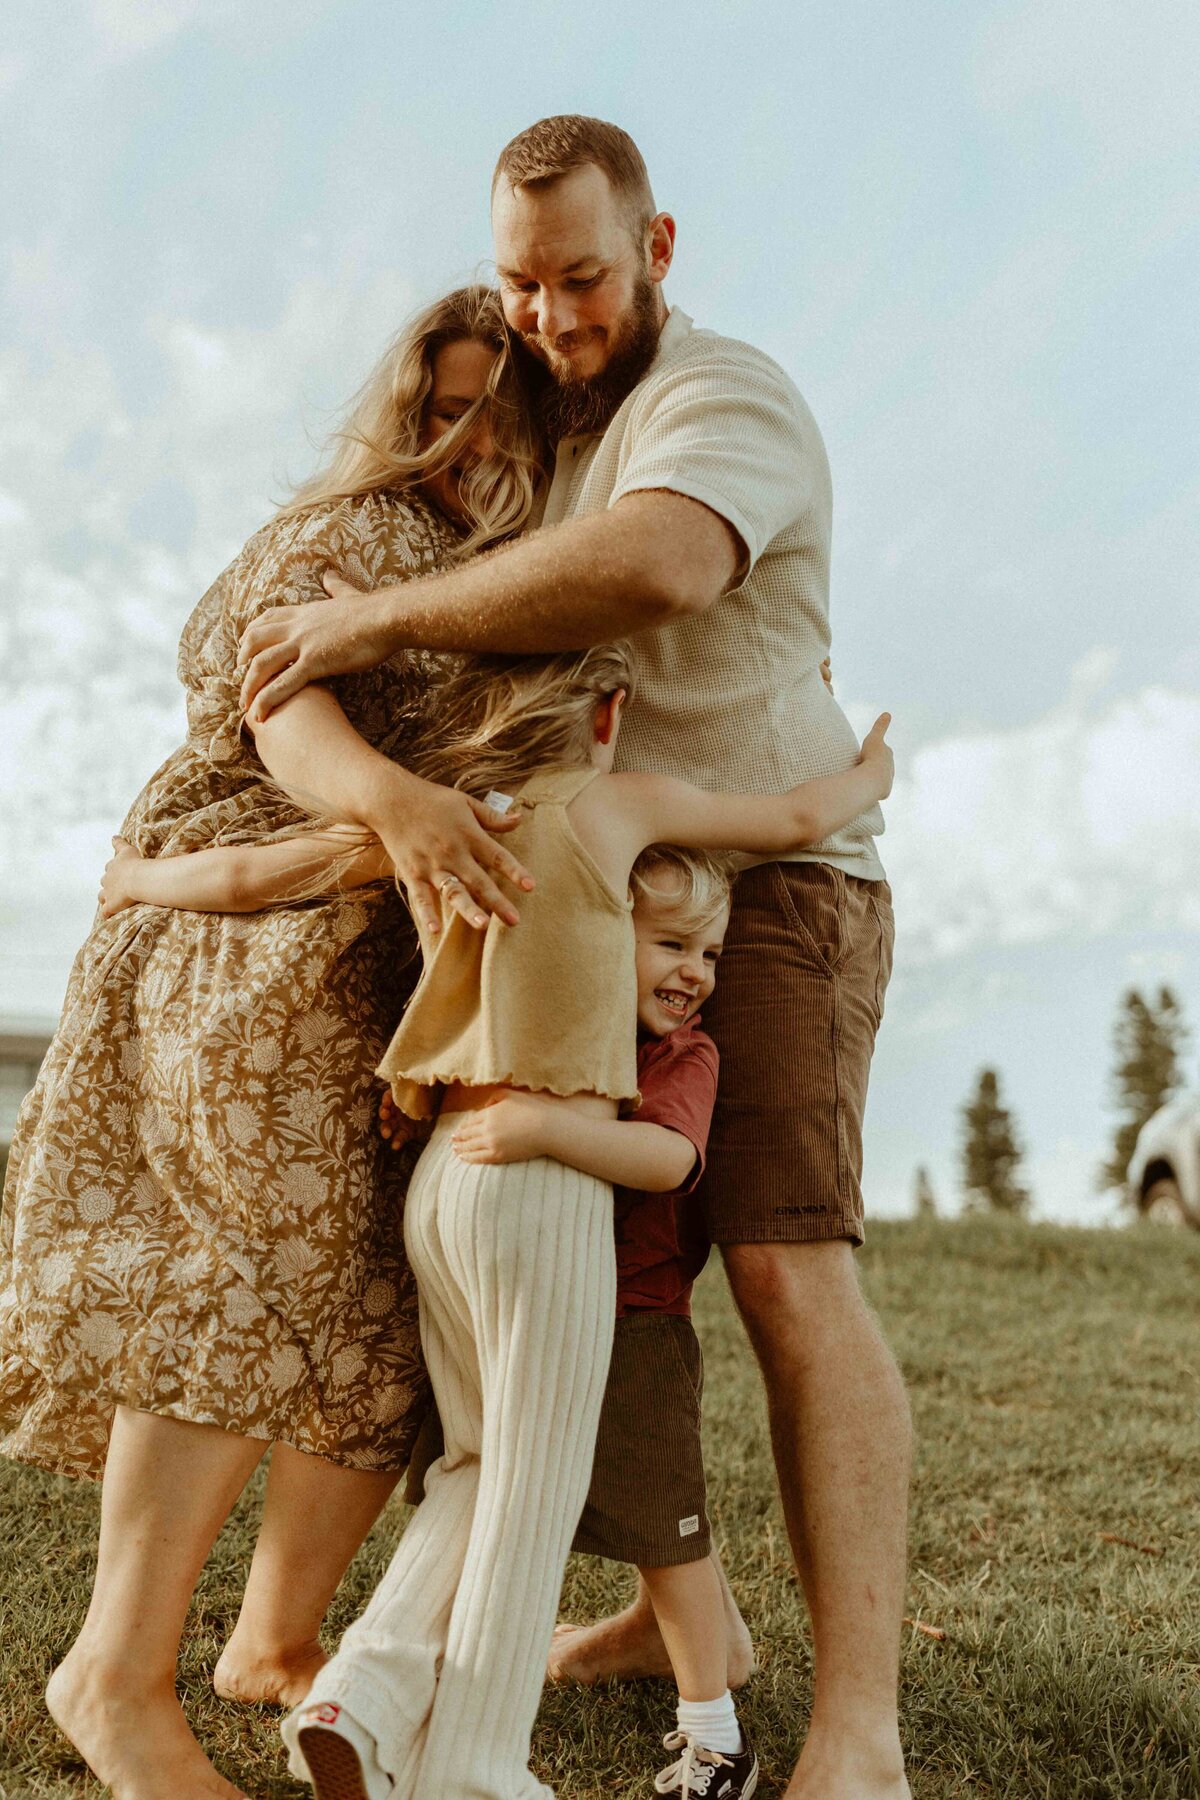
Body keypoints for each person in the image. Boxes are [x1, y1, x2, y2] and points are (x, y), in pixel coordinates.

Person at [237, 116, 911, 1800]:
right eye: (528, 285)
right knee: (605, 1286)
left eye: (585, 277)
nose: (552, 314)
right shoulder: (553, 426)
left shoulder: (716, 401)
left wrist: (371, 624)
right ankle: (661, 1624)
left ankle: (857, 1733)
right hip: (613, 901)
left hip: (772, 885)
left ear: (660, 246)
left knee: (778, 1263)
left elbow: (669, 561)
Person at [0, 285, 542, 1800]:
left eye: (496, 410)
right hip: (242, 958)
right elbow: (286, 715)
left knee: (377, 1334)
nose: (466, 440)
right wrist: (401, 804)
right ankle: (112, 1677)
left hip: (362, 969)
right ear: (402, 407)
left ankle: (270, 1640)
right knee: (239, 1293)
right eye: (439, 406)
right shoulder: (347, 539)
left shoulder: (498, 568)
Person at [275, 641, 891, 1800]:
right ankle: (474, 1763)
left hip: (441, 1177)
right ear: (610, 713)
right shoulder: (609, 810)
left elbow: (277, 867)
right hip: (538, 1179)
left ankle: (361, 1697)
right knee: (532, 1487)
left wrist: (140, 881)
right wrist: (871, 771)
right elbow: (797, 812)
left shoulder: (445, 823)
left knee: (470, 1463)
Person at [104, 832, 756, 1797]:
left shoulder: (678, 1054)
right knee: (484, 1479)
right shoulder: (561, 1026)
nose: (694, 974)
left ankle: (713, 1736)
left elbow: (668, 1161)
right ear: (596, 933)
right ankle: (387, 1717)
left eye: (709, 954)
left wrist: (541, 1128)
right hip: (530, 1299)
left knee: (659, 1531)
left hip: (634, 1326)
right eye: (671, 945)